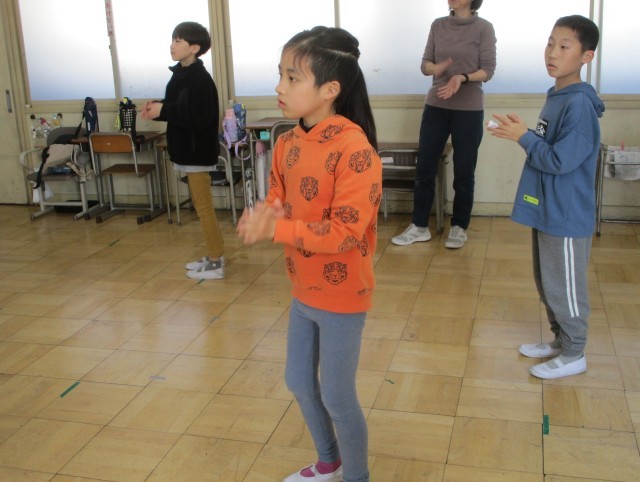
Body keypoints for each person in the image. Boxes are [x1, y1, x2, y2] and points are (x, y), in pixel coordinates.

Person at [237, 26, 381, 482]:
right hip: (303, 287)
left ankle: (356, 477)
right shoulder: (287, 142)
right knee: (298, 380)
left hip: (342, 295)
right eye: (280, 74)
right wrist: (267, 211)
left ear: (330, 89)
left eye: (293, 77)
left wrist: (277, 228)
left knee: (337, 395)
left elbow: (344, 233)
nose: (279, 87)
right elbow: (279, 195)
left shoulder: (355, 149)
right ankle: (329, 462)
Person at [489, 15, 604, 379]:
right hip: (549, 208)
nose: (552, 53)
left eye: (564, 46)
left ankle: (575, 352)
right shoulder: (558, 96)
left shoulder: (579, 105)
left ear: (586, 56)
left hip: (566, 215)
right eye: (550, 43)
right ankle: (561, 341)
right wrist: (523, 132)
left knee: (565, 286)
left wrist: (523, 137)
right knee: (549, 281)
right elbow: (549, 145)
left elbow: (560, 160)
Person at [392, 0, 496, 248]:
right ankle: (419, 226)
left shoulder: (484, 27)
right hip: (436, 105)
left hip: (469, 109)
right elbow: (425, 64)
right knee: (425, 167)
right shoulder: (438, 25)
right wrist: (435, 68)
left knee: (464, 170)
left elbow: (488, 70)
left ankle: (459, 227)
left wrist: (462, 77)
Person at [141, 21, 225, 280]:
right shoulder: (180, 75)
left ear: (194, 47)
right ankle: (214, 255)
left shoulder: (201, 79)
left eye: (178, 41)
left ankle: (216, 262)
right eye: (173, 40)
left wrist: (165, 110)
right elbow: (178, 107)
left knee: (204, 208)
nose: (172, 45)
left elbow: (200, 117)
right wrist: (158, 108)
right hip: (186, 150)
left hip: (197, 153)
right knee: (201, 206)